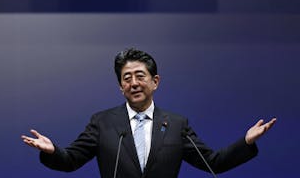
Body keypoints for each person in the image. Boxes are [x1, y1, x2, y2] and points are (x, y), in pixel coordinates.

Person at [21, 48, 276, 178]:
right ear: (121, 88)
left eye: (140, 76)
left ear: (155, 81)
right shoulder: (103, 122)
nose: (133, 83)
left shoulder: (176, 124)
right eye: (127, 78)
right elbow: (71, 160)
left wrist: (246, 142)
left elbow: (213, 162)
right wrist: (53, 150)